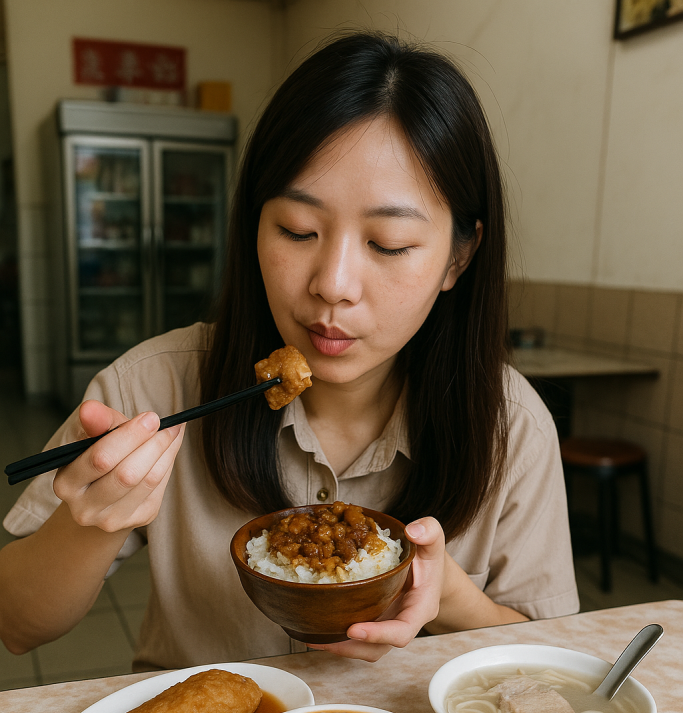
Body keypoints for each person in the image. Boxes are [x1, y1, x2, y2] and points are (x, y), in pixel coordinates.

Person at [0, 33, 578, 670]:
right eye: (297, 230)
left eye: (388, 244)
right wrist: (89, 522)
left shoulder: (512, 424)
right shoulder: (150, 390)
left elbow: (552, 664)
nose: (331, 283)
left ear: (458, 257)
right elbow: (17, 625)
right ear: (254, 224)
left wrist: (452, 597)